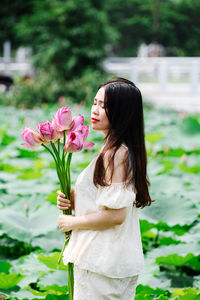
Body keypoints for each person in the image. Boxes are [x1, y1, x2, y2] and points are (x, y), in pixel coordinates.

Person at [57, 77, 153, 300]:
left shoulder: (115, 153)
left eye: (105, 106)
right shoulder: (118, 149)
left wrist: (72, 222)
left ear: (123, 112)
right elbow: (108, 200)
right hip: (108, 261)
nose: (95, 110)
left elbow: (116, 215)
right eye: (95, 103)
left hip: (102, 263)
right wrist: (73, 197)